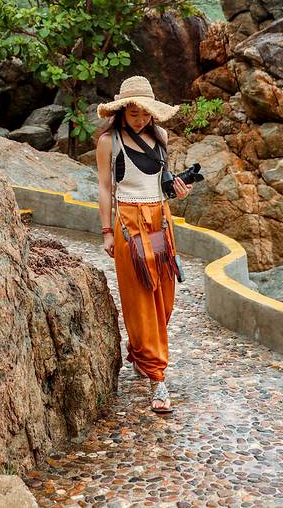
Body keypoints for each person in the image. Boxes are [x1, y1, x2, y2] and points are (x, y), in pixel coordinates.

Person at [95, 75, 192, 414]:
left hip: (161, 221)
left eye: (145, 113)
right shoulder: (109, 142)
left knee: (164, 300)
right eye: (133, 113)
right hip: (128, 224)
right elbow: (105, 188)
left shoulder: (161, 136)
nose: (140, 120)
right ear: (122, 111)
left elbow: (162, 182)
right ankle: (157, 378)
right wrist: (106, 231)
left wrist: (178, 190)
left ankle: (140, 353)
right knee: (140, 300)